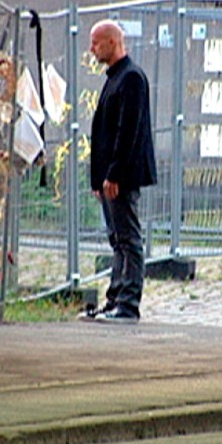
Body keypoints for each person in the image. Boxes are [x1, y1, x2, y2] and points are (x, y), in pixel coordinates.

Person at [85, 19, 157, 323]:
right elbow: (104, 132)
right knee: (117, 239)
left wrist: (113, 174)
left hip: (121, 177)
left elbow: (128, 132)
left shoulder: (131, 78)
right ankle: (114, 299)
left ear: (113, 43)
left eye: (96, 42)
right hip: (109, 178)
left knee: (128, 239)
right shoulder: (115, 77)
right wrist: (98, 178)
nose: (92, 49)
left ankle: (128, 305)